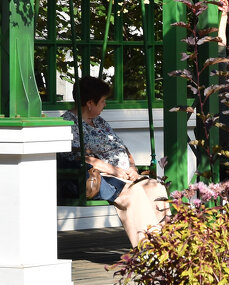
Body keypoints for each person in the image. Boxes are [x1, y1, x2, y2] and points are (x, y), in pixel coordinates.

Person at [61, 76, 170, 248]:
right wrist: (114, 170)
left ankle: (167, 245)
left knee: (156, 188)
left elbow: (120, 146)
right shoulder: (69, 123)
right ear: (90, 103)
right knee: (133, 194)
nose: (105, 105)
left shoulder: (99, 121)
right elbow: (79, 157)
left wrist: (132, 167)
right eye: (103, 101)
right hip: (99, 176)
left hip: (122, 173)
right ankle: (148, 249)